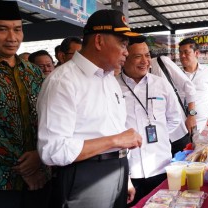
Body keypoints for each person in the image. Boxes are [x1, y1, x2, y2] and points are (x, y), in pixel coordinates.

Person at [37, 9, 144, 208]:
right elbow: (53, 150)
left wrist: (125, 176)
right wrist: (115, 140)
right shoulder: (63, 81)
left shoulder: (109, 79)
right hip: (85, 176)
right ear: (99, 41)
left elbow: (112, 128)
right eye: (122, 43)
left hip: (117, 170)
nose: (126, 52)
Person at [0, 1, 51, 207]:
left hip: (42, 175)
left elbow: (47, 117)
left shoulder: (33, 71)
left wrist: (39, 156)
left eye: (17, 30)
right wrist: (24, 168)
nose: (12, 38)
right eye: (2, 29)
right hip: (2, 181)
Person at [117, 42, 182, 206]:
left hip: (160, 165)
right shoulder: (113, 86)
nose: (145, 61)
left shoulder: (160, 84)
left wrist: (159, 136)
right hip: (130, 172)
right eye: (138, 56)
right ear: (125, 57)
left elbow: (174, 118)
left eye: (147, 55)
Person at [150, 55, 197, 155]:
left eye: (146, 55)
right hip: (154, 140)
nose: (143, 60)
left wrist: (192, 115)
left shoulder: (160, 62)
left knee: (186, 166)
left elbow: (189, 86)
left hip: (178, 132)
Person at [178, 38, 208, 132]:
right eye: (180, 52)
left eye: (186, 52)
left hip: (204, 126)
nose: (182, 56)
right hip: (180, 127)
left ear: (196, 53)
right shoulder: (176, 74)